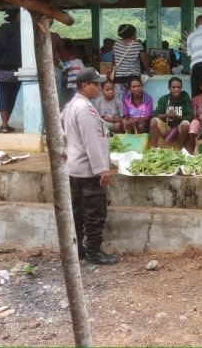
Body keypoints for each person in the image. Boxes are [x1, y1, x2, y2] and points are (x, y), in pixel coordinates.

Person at [61, 68, 118, 265]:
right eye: (96, 84)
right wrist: (102, 169)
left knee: (77, 212)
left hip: (75, 167)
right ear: (84, 86)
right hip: (88, 170)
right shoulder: (85, 108)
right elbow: (91, 142)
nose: (99, 87)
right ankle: (93, 251)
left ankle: (78, 249)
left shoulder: (71, 106)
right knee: (95, 212)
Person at [0, 9, 22, 133]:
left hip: (1, 69)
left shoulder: (2, 28)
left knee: (3, 96)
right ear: (17, 15)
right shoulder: (22, 28)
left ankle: (4, 125)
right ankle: (5, 125)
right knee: (12, 98)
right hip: (17, 69)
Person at [149, 77, 193, 149]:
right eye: (173, 87)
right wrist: (167, 115)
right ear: (169, 88)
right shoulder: (164, 99)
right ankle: (154, 149)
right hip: (167, 129)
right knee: (153, 121)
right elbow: (156, 114)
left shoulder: (185, 98)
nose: (176, 89)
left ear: (181, 88)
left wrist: (177, 117)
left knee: (185, 124)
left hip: (179, 130)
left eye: (179, 87)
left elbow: (190, 117)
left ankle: (181, 148)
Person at [113, 24, 149, 100]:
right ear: (131, 34)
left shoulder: (116, 44)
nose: (136, 35)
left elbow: (114, 59)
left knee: (120, 101)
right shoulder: (137, 44)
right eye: (135, 33)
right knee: (133, 101)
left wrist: (112, 71)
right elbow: (144, 59)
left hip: (119, 78)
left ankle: (122, 112)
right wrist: (148, 71)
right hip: (133, 77)